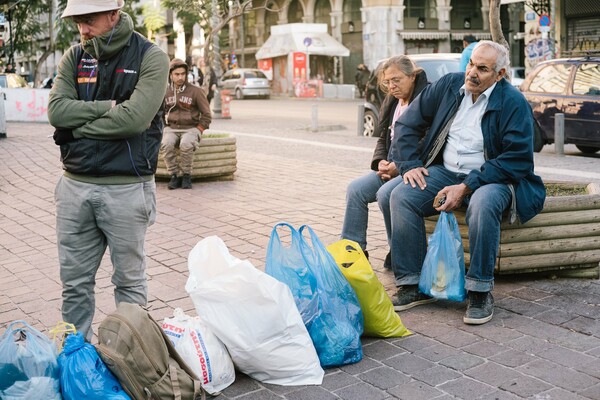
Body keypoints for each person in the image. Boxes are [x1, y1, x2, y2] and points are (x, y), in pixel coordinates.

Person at [380, 41, 546, 325]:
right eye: (471, 64)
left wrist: (467, 185)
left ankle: (480, 290)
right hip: (446, 172)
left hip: (492, 178)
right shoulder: (449, 86)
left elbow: (516, 159)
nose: (472, 73)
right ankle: (412, 284)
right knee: (401, 196)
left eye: (482, 69)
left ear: (500, 73)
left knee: (482, 205)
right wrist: (410, 164)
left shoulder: (513, 102)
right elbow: (407, 123)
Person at [47, 0, 169, 341]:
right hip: (74, 187)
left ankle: (130, 358)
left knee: (129, 283)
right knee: (74, 284)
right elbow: (57, 112)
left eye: (89, 20)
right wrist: (107, 109)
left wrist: (76, 128)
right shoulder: (74, 57)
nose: (82, 30)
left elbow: (135, 119)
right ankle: (72, 356)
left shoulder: (151, 57)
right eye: (77, 22)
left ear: (114, 14)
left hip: (127, 188)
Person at [341, 56, 428, 268]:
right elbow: (383, 137)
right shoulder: (392, 99)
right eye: (387, 81)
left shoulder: (426, 98)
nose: (392, 86)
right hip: (390, 166)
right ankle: (354, 252)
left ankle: (397, 250)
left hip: (412, 168)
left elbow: (428, 140)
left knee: (386, 194)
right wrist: (380, 160)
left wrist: (399, 167)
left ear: (412, 75)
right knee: (355, 190)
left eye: (396, 80)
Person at [162, 58, 212, 190]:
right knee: (166, 144)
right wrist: (164, 127)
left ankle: (186, 176)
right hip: (171, 128)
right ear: (170, 75)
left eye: (182, 74)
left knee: (186, 145)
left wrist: (199, 129)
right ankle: (174, 175)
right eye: (176, 74)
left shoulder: (196, 91)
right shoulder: (165, 91)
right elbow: (158, 113)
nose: (180, 77)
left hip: (191, 128)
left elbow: (207, 114)